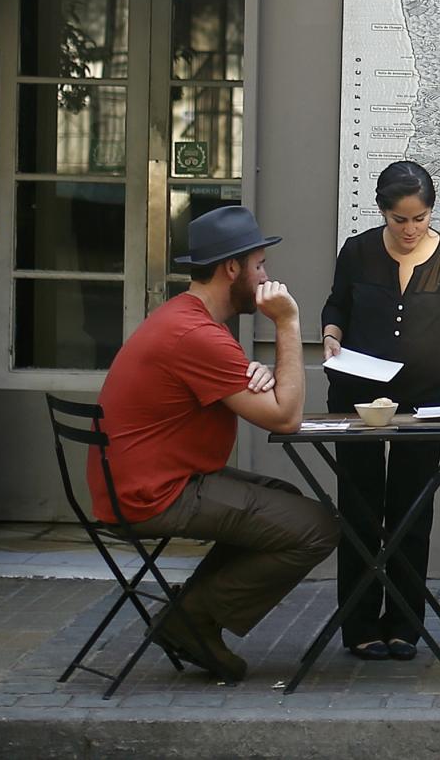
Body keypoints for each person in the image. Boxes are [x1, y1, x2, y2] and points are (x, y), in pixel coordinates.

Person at [89, 205, 339, 682]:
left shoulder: (186, 320)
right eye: (260, 264)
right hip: (155, 494)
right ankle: (192, 620)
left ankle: (193, 620)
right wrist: (287, 324)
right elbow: (286, 418)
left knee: (283, 504)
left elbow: (251, 394)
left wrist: (260, 374)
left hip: (145, 482)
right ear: (232, 268)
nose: (267, 276)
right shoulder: (197, 334)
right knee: (317, 527)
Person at [320, 160, 440, 660]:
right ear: (382, 212)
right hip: (356, 399)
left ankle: (404, 624)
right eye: (399, 219)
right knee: (359, 509)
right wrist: (332, 333)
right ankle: (359, 627)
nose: (410, 229)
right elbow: (336, 304)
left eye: (419, 218)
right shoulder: (357, 252)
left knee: (410, 510)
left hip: (424, 399)